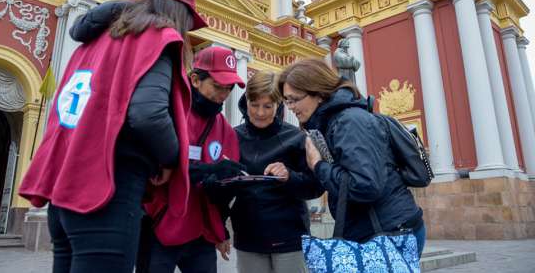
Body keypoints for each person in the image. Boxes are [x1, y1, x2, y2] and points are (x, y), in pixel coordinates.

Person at [19, 0, 208, 273]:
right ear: (179, 14)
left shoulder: (92, 42)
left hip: (64, 190)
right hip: (107, 190)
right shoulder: (158, 36)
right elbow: (148, 114)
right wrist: (171, 158)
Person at [278, 58, 426, 257]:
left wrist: (318, 165)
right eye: (287, 100)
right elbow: (326, 182)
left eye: (294, 99)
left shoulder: (349, 122)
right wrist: (291, 176)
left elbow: (365, 185)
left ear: (319, 94)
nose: (290, 107)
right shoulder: (327, 124)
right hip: (373, 231)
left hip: (389, 232)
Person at [139, 46, 247, 273]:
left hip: (201, 233)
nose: (223, 95)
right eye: (217, 86)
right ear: (195, 79)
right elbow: (154, 168)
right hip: (158, 225)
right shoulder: (166, 113)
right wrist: (210, 170)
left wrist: (226, 184)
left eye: (228, 89)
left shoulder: (225, 130)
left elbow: (223, 192)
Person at [225, 70, 323, 273]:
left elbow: (314, 188)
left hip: (289, 238)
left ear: (279, 105)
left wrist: (289, 176)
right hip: (248, 237)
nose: (260, 113)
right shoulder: (233, 136)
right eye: (254, 105)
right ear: (246, 102)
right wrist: (219, 229)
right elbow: (223, 190)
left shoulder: (296, 137)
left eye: (267, 106)